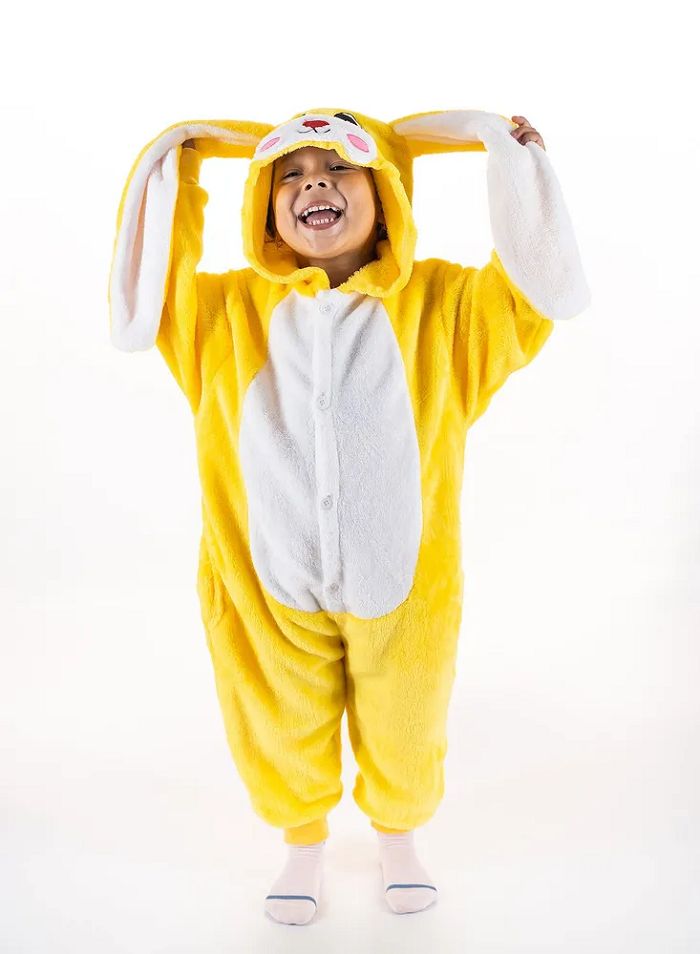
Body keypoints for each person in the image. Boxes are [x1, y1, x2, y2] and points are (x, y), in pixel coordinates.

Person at [108, 108, 589, 926]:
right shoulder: (222, 315)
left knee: (409, 718)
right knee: (273, 717)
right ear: (265, 209)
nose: (314, 185)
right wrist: (180, 161)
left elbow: (536, 292)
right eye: (290, 176)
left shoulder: (443, 307)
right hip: (263, 582)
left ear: (388, 192)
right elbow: (150, 288)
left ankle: (400, 837)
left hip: (405, 586)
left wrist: (518, 173)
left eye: (339, 168)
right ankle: (302, 845)